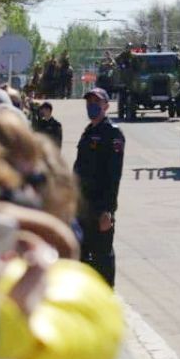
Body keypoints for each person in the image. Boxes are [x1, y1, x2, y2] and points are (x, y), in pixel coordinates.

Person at [74, 88, 125, 288]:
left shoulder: (112, 134)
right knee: (82, 255)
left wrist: (108, 211)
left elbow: (114, 176)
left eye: (96, 102)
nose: (92, 106)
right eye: (89, 102)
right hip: (82, 206)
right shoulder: (89, 132)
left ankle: (106, 297)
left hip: (99, 207)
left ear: (106, 106)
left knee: (102, 256)